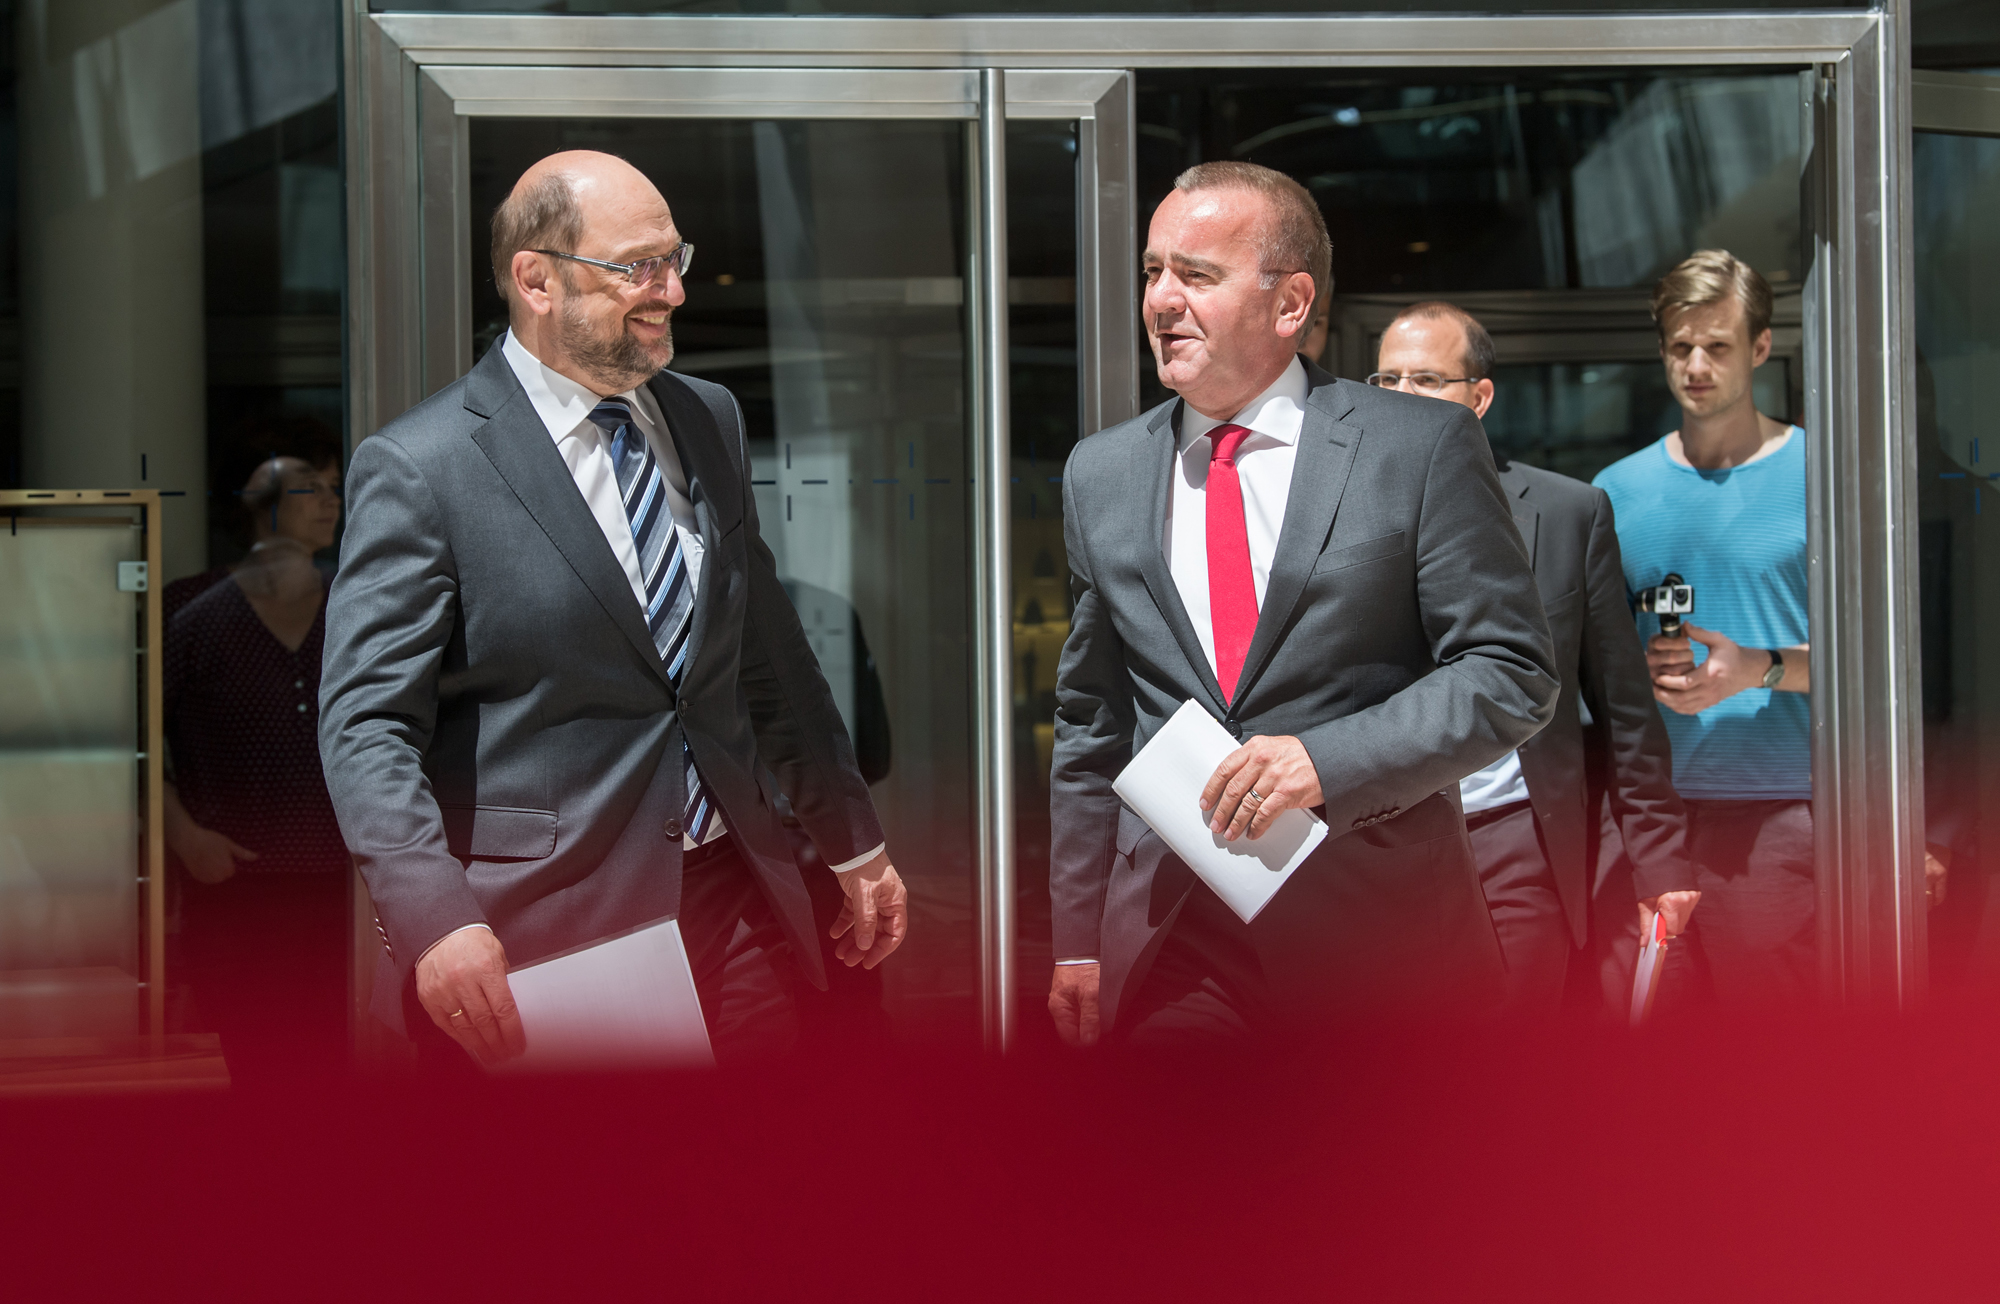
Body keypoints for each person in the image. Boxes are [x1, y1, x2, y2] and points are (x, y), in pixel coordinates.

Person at [319, 150, 909, 1067]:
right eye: (637, 266)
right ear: (535, 280)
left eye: (674, 259)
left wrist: (851, 838)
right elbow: (365, 727)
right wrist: (433, 919)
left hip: (738, 899)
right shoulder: (421, 467)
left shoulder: (707, 417)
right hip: (550, 930)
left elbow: (765, 652)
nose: (670, 291)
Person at [1046, 162, 1558, 1044]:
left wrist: (1327, 762)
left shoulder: (1420, 446)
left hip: (1379, 947)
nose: (1162, 299)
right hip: (1176, 942)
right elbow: (1093, 720)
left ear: (1290, 305)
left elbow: (1511, 672)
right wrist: (1076, 940)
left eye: (1196, 275)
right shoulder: (1100, 472)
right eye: (1152, 271)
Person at [1372, 302, 1698, 1018]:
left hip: (1514, 836)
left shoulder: (1567, 512)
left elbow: (1625, 707)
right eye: (1385, 380)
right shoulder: (1336, 519)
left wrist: (1659, 857)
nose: (1400, 399)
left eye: (1425, 379)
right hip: (1383, 844)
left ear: (1479, 398)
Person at [1592, 250, 1826, 1007]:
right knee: (1658, 1066)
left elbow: (1882, 662)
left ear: (1760, 348)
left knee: (1775, 1056)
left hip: (1785, 808)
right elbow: (1596, 668)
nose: (1696, 365)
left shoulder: (1822, 475)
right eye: (1681, 346)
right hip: (1649, 816)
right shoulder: (1617, 492)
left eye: (1718, 346)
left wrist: (1759, 667)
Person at [164, 455, 350, 1078]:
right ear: (259, 502)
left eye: (334, 489)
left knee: (331, 1060)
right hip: (232, 876)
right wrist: (182, 834)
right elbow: (134, 740)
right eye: (309, 489)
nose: (329, 502)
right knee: (248, 1058)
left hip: (337, 873)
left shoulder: (351, 600)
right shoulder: (190, 607)